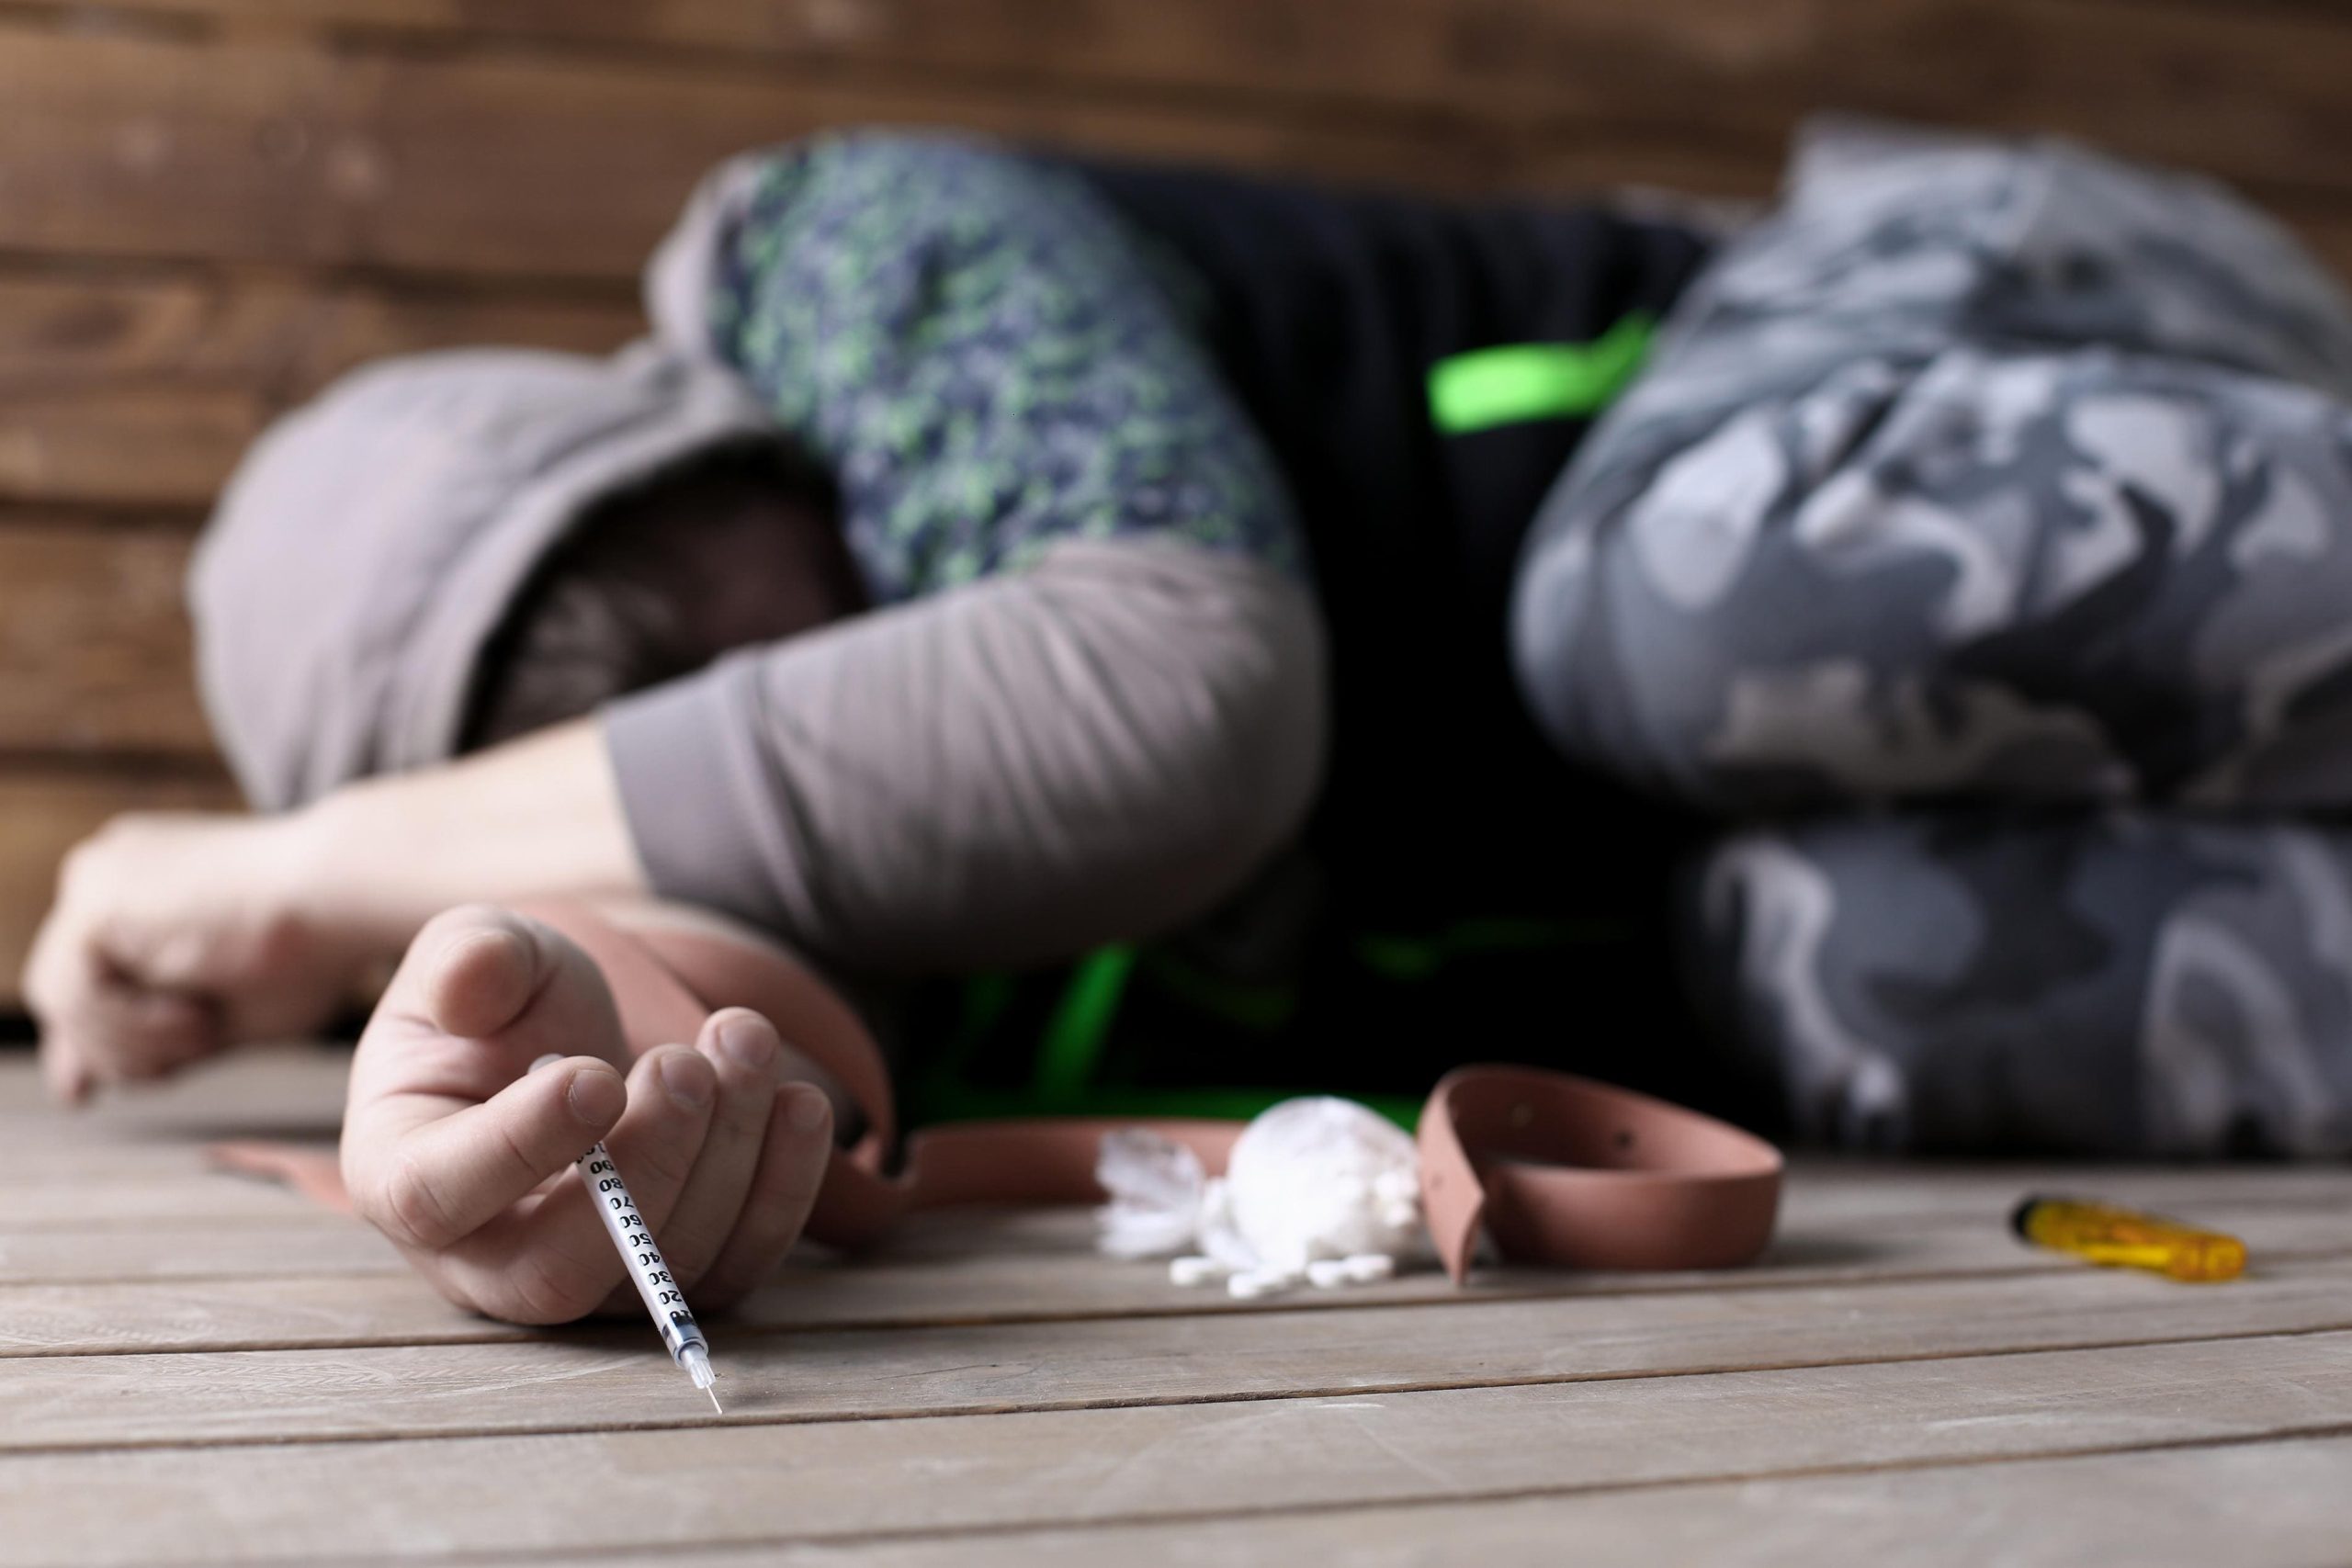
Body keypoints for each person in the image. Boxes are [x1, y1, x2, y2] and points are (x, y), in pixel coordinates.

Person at [28, 118, 2352, 1324]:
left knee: (1674, 604)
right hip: (1806, 844)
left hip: (1961, 348)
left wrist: (300, 867)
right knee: (1841, 971)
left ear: (692, 445)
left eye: (674, 633)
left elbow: (1172, 700)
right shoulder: (827, 892)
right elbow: (754, 1017)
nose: (751, 724)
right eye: (595, 752)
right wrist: (555, 1116)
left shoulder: (839, 254)